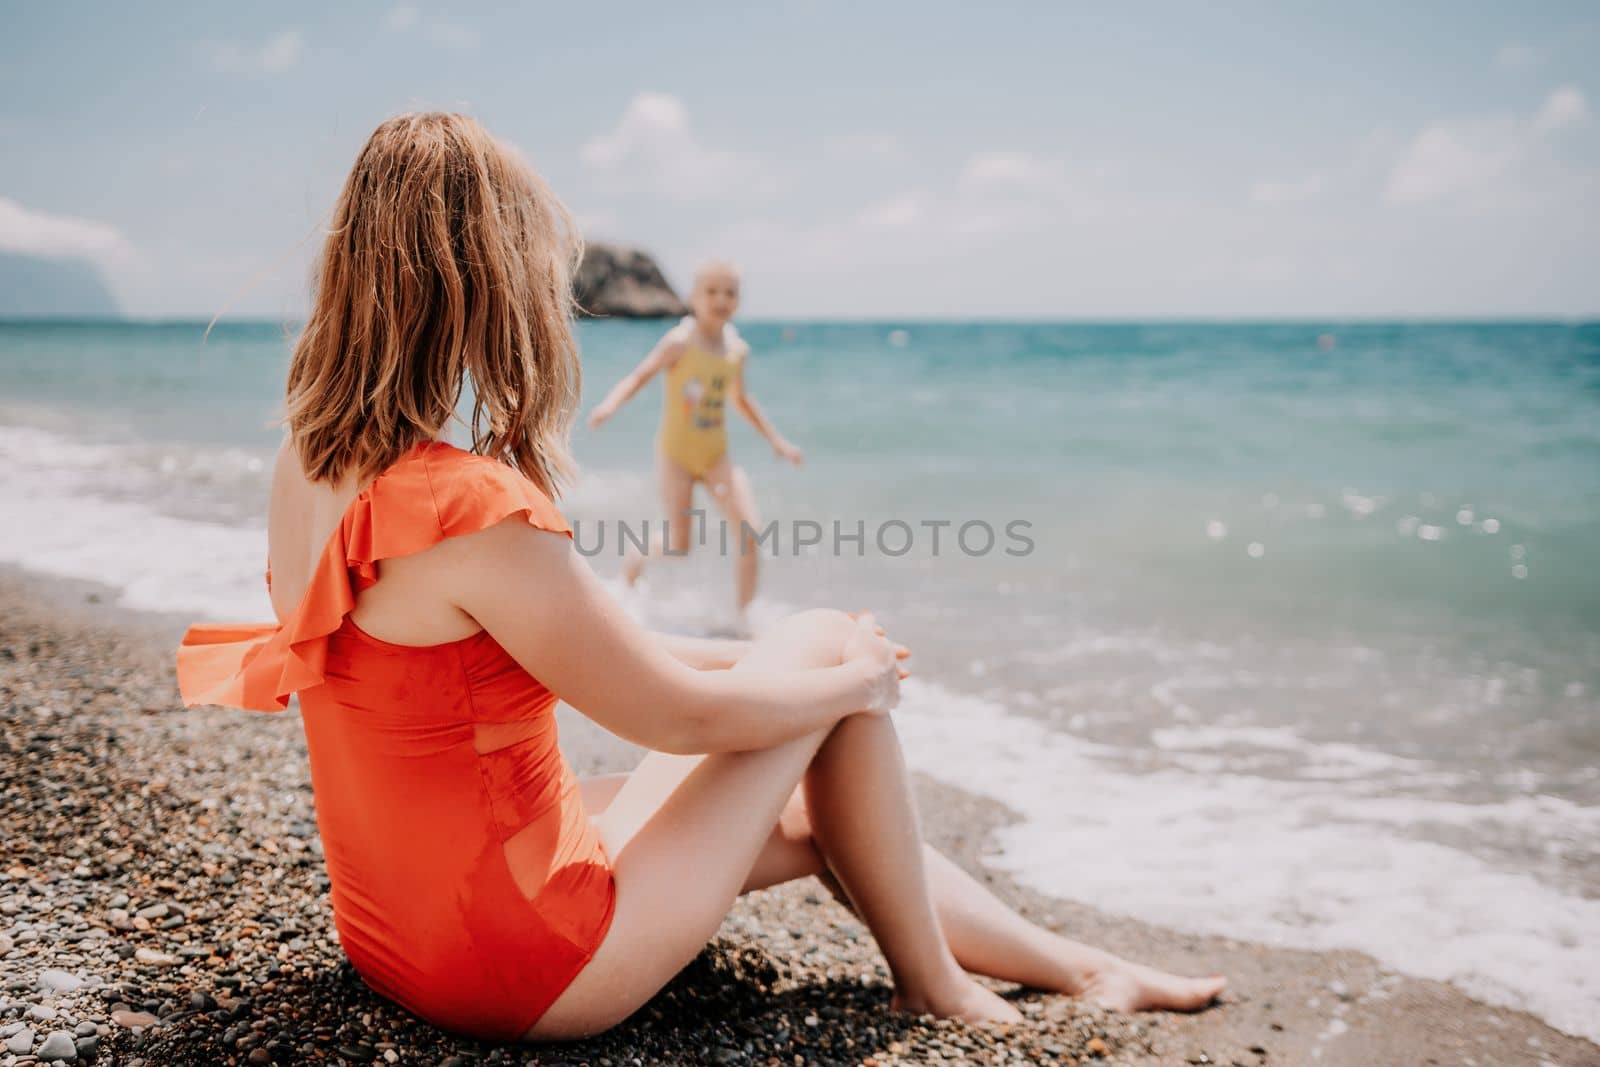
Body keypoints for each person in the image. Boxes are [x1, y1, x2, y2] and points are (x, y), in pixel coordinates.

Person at [177, 112, 1224, 1044]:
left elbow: (552, 648)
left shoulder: (309, 463)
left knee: (819, 809)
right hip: (522, 961)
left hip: (393, 929)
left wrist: (787, 666)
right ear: (500, 281)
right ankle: (935, 984)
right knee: (823, 645)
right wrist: (852, 679)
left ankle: (1075, 967)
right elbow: (677, 717)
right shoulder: (469, 508)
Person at [587, 262, 801, 618]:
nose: (721, 299)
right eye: (712, 291)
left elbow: (742, 401)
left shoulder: (736, 350)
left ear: (738, 300)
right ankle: (633, 566)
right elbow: (642, 375)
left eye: (730, 292)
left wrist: (777, 442)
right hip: (676, 456)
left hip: (716, 455)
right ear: (693, 298)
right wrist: (609, 405)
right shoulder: (679, 342)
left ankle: (743, 620)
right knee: (678, 544)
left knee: (750, 532)